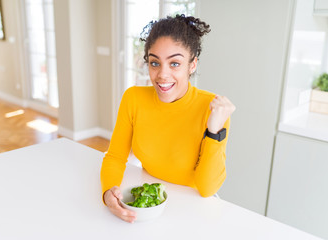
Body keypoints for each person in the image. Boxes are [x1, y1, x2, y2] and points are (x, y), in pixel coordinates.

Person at [100, 14, 236, 223]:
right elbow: (116, 157)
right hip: (151, 201)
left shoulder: (213, 109)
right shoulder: (133, 98)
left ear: (192, 65)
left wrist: (214, 131)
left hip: (194, 210)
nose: (162, 75)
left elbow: (207, 189)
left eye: (174, 64)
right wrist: (108, 192)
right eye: (155, 63)